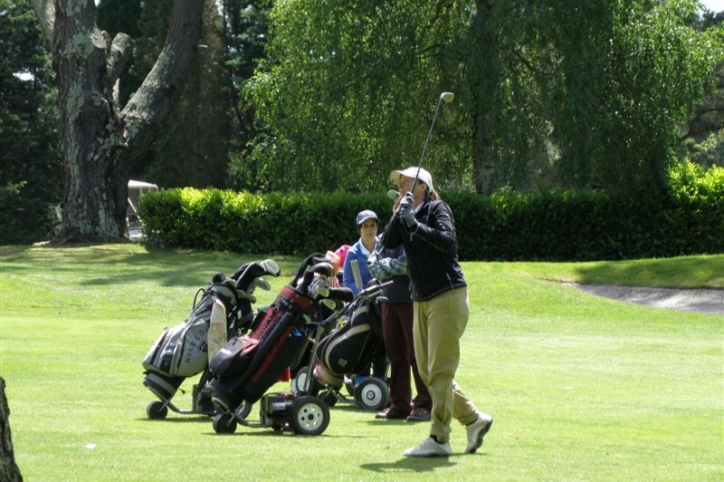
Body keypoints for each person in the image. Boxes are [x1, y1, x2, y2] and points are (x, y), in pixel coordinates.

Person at [381, 166, 493, 457]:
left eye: (406, 181)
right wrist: (400, 215)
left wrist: (415, 224)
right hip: (420, 298)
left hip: (447, 295)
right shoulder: (407, 213)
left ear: (422, 187)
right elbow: (388, 242)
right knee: (427, 370)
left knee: (440, 371)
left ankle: (439, 438)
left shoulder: (437, 209)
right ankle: (472, 419)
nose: (401, 186)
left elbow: (447, 241)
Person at [368, 194, 432, 422]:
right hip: (388, 299)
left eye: (401, 203)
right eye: (395, 202)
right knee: (395, 354)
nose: (397, 205)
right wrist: (383, 266)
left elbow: (405, 264)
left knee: (416, 354)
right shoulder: (388, 232)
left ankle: (424, 404)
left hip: (410, 299)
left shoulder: (413, 231)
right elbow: (373, 260)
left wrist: (383, 266)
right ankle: (400, 404)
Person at [343, 210, 387, 379]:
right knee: (363, 342)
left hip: (381, 303)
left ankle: (379, 379)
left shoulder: (383, 248)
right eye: (365, 226)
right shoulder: (353, 253)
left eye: (373, 225)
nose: (370, 229)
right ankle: (361, 380)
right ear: (359, 230)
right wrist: (363, 294)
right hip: (361, 305)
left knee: (382, 342)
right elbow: (348, 281)